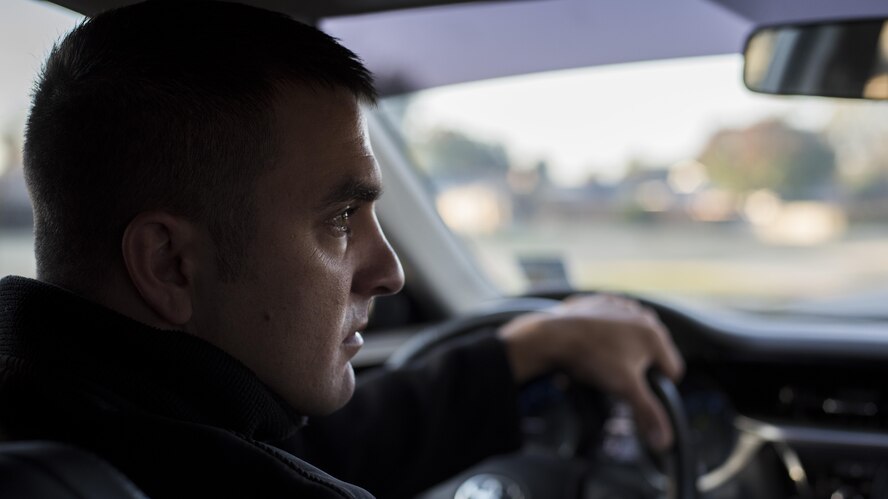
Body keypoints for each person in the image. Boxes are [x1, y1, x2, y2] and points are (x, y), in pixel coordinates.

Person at [0, 1, 683, 497]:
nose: (390, 271)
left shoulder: (69, 410)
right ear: (169, 264)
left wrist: (527, 349)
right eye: (341, 218)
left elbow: (307, 449)